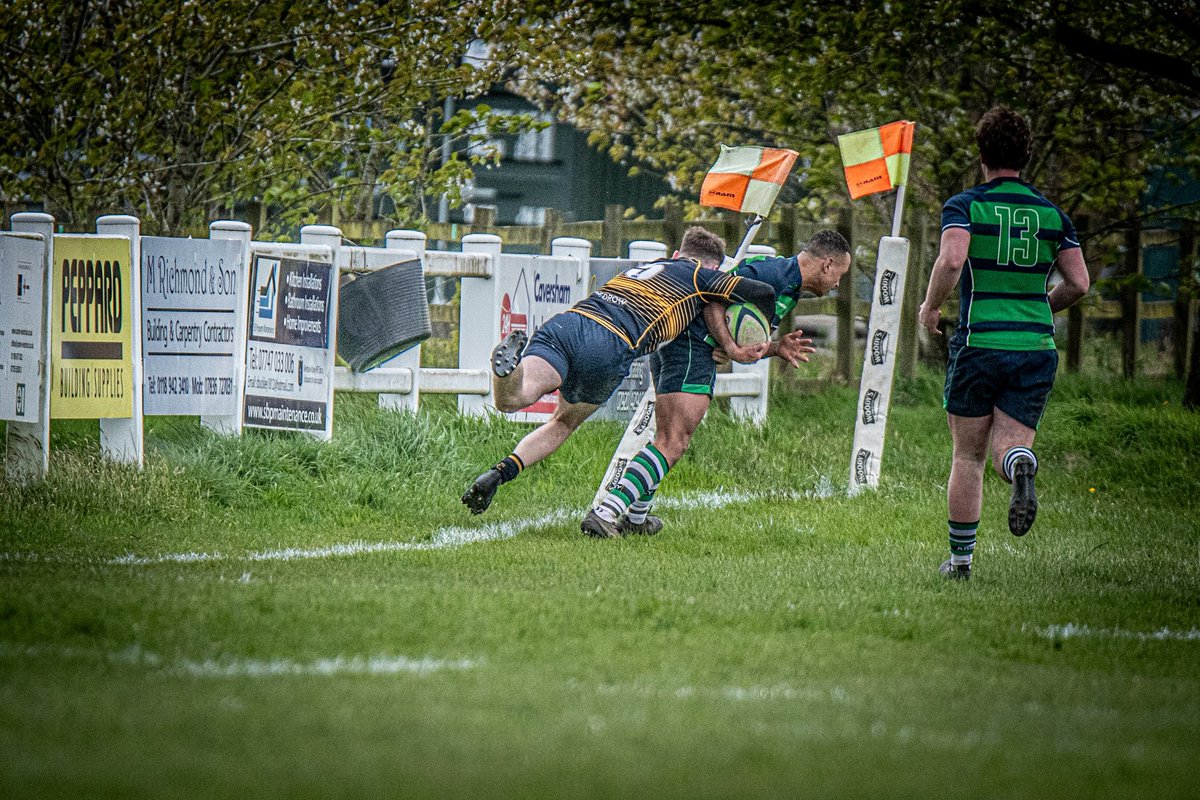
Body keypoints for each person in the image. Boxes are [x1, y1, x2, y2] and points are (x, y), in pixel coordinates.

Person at [462, 226, 776, 532]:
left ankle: (499, 461)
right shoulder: (700, 276)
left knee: (514, 398)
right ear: (713, 267)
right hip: (610, 346)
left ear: (677, 253)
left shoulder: (647, 267)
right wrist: (749, 339)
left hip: (570, 323)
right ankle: (506, 466)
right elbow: (763, 291)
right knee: (563, 423)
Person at [585, 230, 853, 536]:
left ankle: (636, 520)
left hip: (685, 347)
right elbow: (713, 300)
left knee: (668, 437)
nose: (838, 284)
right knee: (673, 441)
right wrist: (729, 347)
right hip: (691, 349)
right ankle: (606, 513)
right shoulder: (770, 274)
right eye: (840, 276)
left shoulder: (788, 286)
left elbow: (743, 332)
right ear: (828, 264)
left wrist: (775, 347)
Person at [918, 105, 1090, 581]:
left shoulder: (966, 205)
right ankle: (1020, 467)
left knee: (968, 456)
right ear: (1027, 156)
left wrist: (931, 307)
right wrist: (1039, 310)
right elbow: (1079, 283)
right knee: (1007, 452)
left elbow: (953, 261)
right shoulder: (1052, 215)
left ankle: (960, 563)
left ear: (982, 155)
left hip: (979, 344)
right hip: (1035, 349)